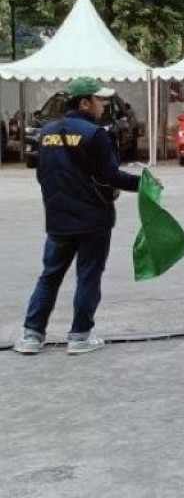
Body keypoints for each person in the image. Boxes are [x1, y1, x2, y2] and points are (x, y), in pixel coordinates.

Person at [14, 77, 142, 355]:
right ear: (84, 102)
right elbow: (110, 175)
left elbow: (42, 175)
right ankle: (79, 336)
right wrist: (144, 184)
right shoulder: (96, 134)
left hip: (58, 221)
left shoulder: (46, 133)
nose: (104, 105)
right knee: (88, 277)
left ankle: (32, 336)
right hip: (93, 220)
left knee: (49, 276)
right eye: (100, 100)